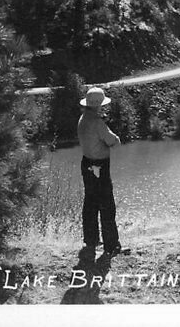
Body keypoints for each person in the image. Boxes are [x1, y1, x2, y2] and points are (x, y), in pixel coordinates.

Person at [78, 87, 124, 256]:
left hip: (87, 164)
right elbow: (113, 141)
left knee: (90, 203)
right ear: (98, 105)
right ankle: (111, 246)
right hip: (100, 167)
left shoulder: (83, 119)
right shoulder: (97, 123)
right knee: (107, 205)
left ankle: (90, 241)